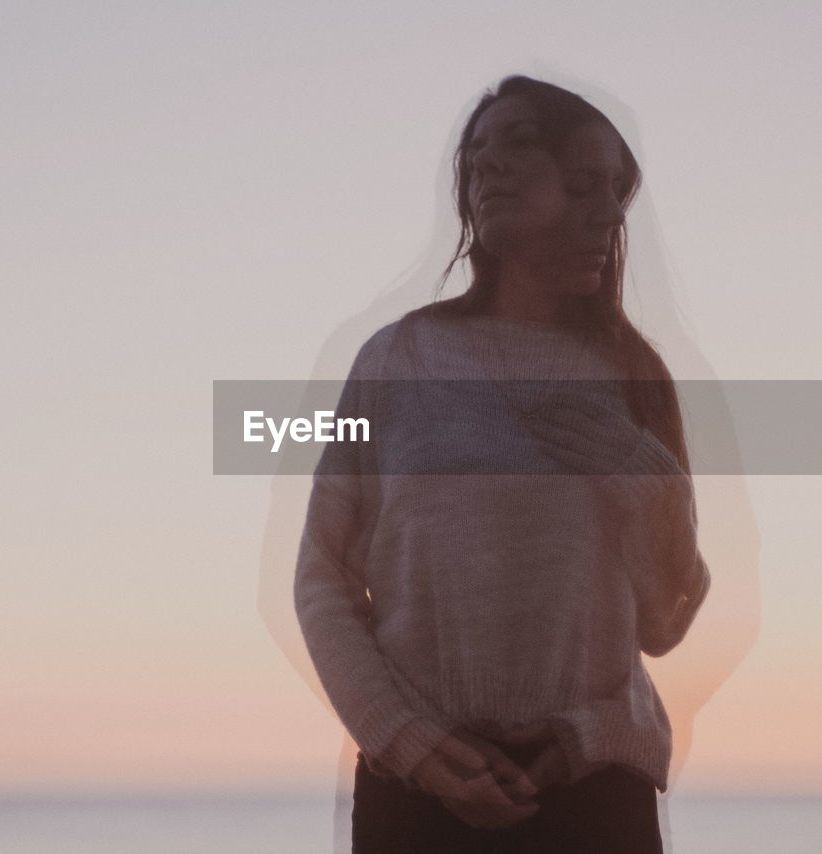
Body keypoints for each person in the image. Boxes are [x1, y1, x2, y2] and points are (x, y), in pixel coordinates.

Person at [293, 75, 710, 853]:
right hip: (415, 796)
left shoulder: (632, 376)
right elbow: (322, 572)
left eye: (521, 141)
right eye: (477, 151)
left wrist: (647, 481)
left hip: (593, 794)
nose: (488, 165)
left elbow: (663, 621)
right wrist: (411, 743)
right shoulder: (397, 360)